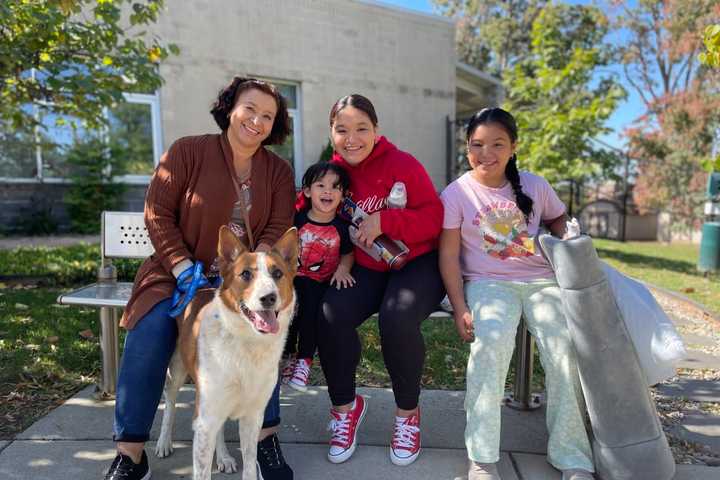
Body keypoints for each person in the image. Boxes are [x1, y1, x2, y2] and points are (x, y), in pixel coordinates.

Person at [104, 77, 296, 480]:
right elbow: (158, 213)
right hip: (175, 275)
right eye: (250, 109)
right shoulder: (187, 151)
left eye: (268, 116)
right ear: (229, 107)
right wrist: (180, 266)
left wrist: (250, 275)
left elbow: (278, 229)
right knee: (150, 331)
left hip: (240, 281)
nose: (257, 121)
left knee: (264, 331)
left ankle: (265, 438)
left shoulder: (278, 171)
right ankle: (131, 453)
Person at [438, 107, 595, 480]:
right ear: (466, 147)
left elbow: (557, 217)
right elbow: (447, 254)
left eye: (497, 144)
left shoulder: (535, 185)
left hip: (542, 283)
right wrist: (460, 306)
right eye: (476, 145)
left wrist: (564, 233)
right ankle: (482, 457)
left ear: (513, 147)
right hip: (488, 285)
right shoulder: (457, 193)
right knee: (490, 345)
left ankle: (572, 455)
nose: (485, 153)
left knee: (563, 347)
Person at [317, 94, 446, 466]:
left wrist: (387, 222)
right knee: (330, 313)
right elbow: (311, 210)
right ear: (332, 133)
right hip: (367, 267)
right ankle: (346, 407)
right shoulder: (332, 174)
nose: (352, 138)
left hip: (418, 262)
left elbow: (434, 217)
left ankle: (408, 415)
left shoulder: (402, 163)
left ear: (377, 131)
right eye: (342, 130)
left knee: (398, 317)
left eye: (362, 129)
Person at [281, 161, 355, 391]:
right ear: (307, 191)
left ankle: (304, 361)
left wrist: (343, 269)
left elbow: (348, 253)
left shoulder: (342, 227)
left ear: (343, 195)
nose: (327, 191)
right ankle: (288, 355)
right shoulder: (297, 220)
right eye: (320, 185)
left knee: (311, 310)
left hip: (322, 283)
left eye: (335, 187)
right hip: (294, 280)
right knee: (290, 311)